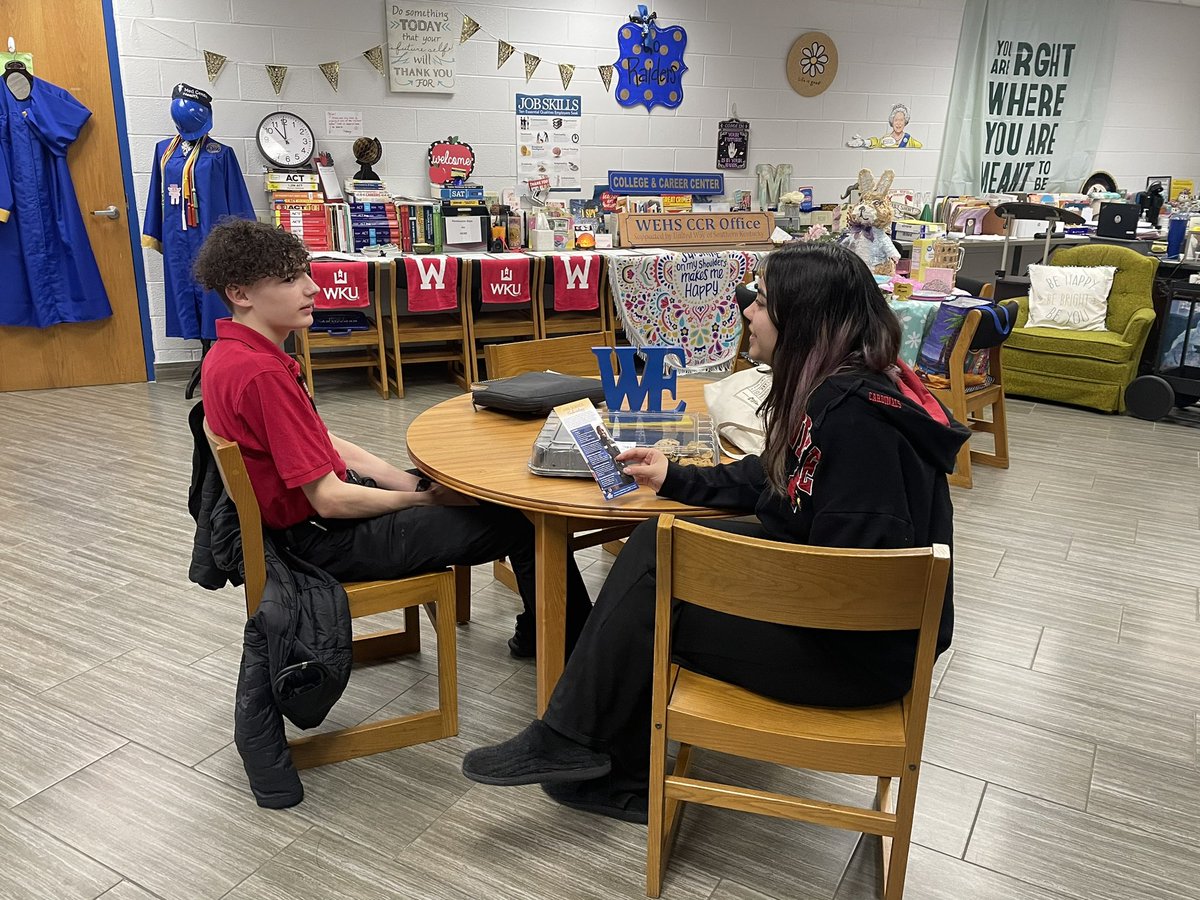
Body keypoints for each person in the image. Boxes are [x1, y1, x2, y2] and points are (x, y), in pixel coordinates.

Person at [461, 241, 970, 823]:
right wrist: (675, 477)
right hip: (850, 625)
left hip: (858, 655)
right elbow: (777, 479)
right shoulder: (844, 389)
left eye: (762, 301)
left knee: (662, 580)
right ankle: (586, 750)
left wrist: (730, 574)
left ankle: (590, 754)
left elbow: (856, 576)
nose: (747, 310)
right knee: (660, 551)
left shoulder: (857, 422)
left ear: (803, 319)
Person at [194, 218, 592, 657]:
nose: (312, 288)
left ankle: (552, 630)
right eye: (291, 279)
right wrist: (422, 500)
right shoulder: (261, 373)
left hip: (305, 525)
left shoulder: (228, 353)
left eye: (307, 273)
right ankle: (575, 645)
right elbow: (329, 498)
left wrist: (406, 482)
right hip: (318, 540)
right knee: (523, 523)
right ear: (240, 293)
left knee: (469, 487)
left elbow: (321, 441)